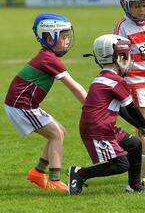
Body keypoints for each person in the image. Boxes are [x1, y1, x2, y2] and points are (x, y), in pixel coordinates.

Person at [4, 13, 87, 191]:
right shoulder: (49, 60)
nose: (67, 41)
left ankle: (37, 172)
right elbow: (73, 87)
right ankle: (55, 179)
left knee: (60, 131)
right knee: (56, 134)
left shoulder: (47, 56)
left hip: (24, 104)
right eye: (63, 37)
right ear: (50, 38)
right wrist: (91, 106)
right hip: (20, 105)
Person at [67, 34, 145, 196]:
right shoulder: (115, 81)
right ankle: (80, 173)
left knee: (136, 145)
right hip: (97, 131)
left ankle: (134, 185)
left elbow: (122, 109)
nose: (129, 60)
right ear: (116, 57)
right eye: (125, 56)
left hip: (106, 127)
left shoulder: (104, 78)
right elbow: (131, 108)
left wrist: (141, 127)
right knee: (122, 165)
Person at [113, 0, 145, 159]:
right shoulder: (121, 28)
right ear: (125, 4)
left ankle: (136, 155)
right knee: (143, 123)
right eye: (137, 5)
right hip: (136, 82)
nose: (142, 9)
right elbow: (119, 60)